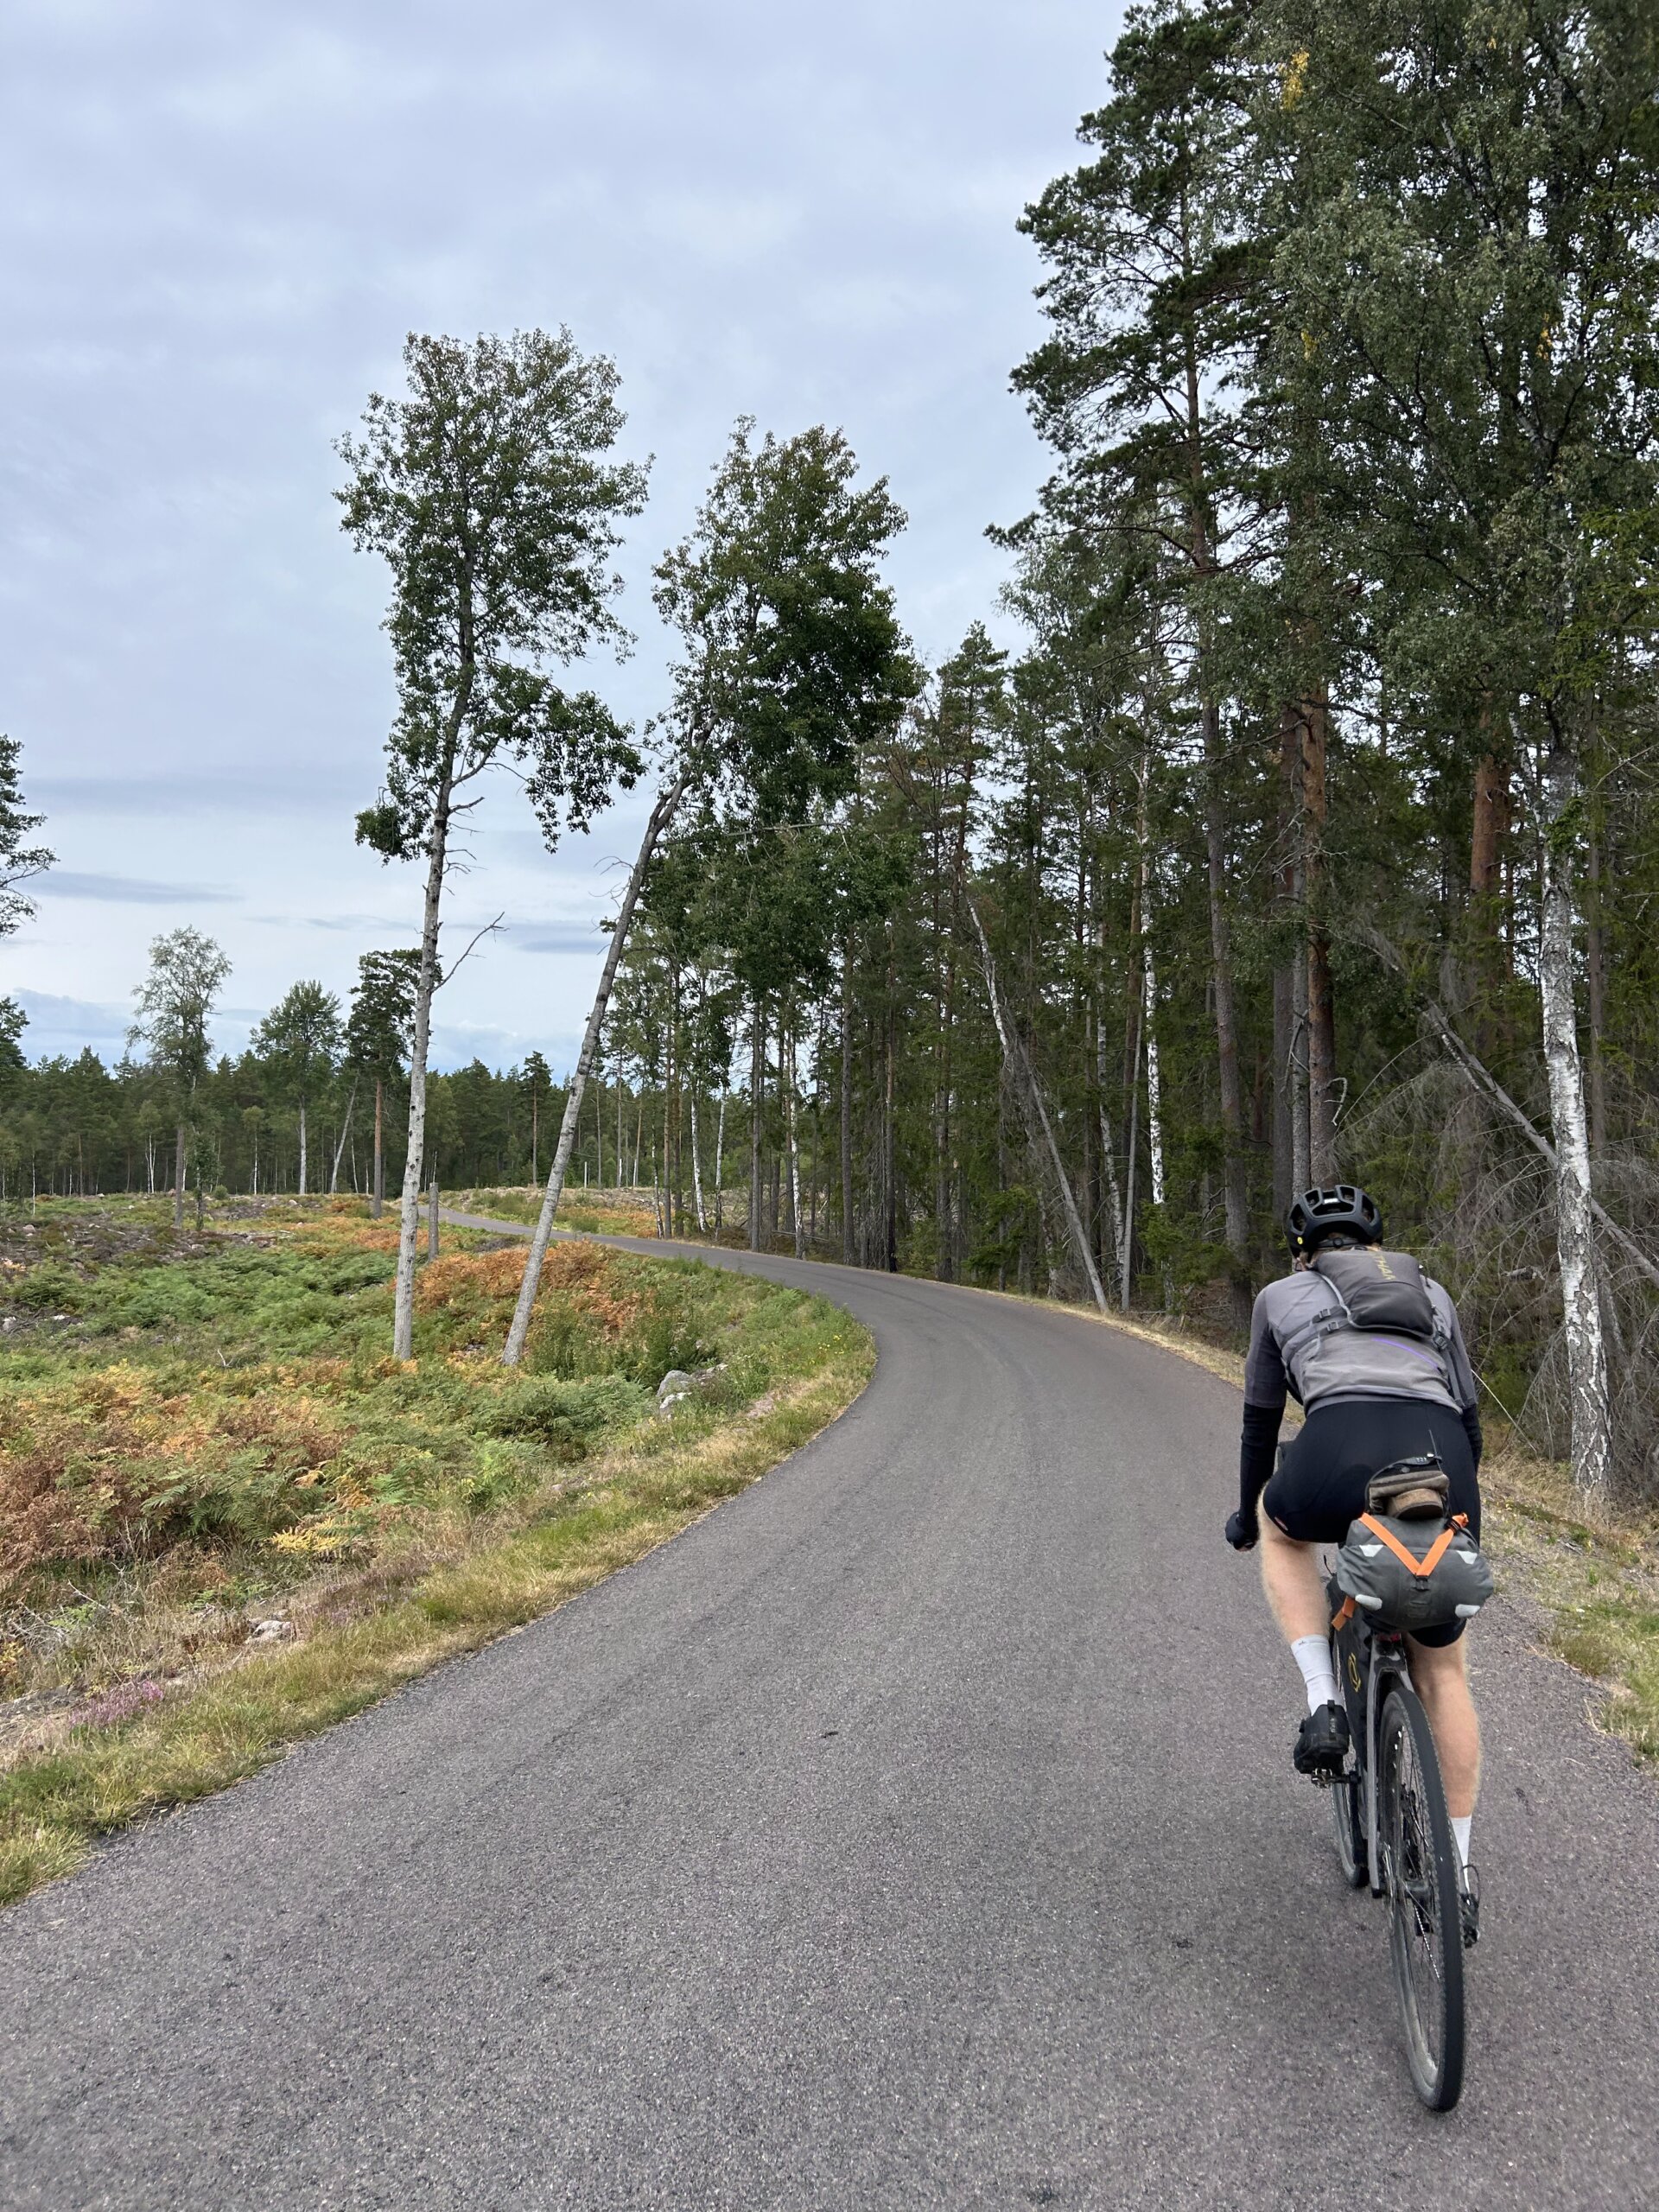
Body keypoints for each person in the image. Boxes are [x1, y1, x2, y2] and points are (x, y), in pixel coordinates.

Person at [1226, 1184, 1484, 1930]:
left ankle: (1324, 1702)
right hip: (1441, 1456)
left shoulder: (1280, 1296)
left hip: (1337, 1444)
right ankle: (1458, 1871)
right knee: (1444, 1669)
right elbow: (1468, 1419)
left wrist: (1249, 1513)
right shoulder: (1432, 1293)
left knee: (1284, 1529)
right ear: (1377, 1247)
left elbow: (1260, 1418)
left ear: (1303, 1252)